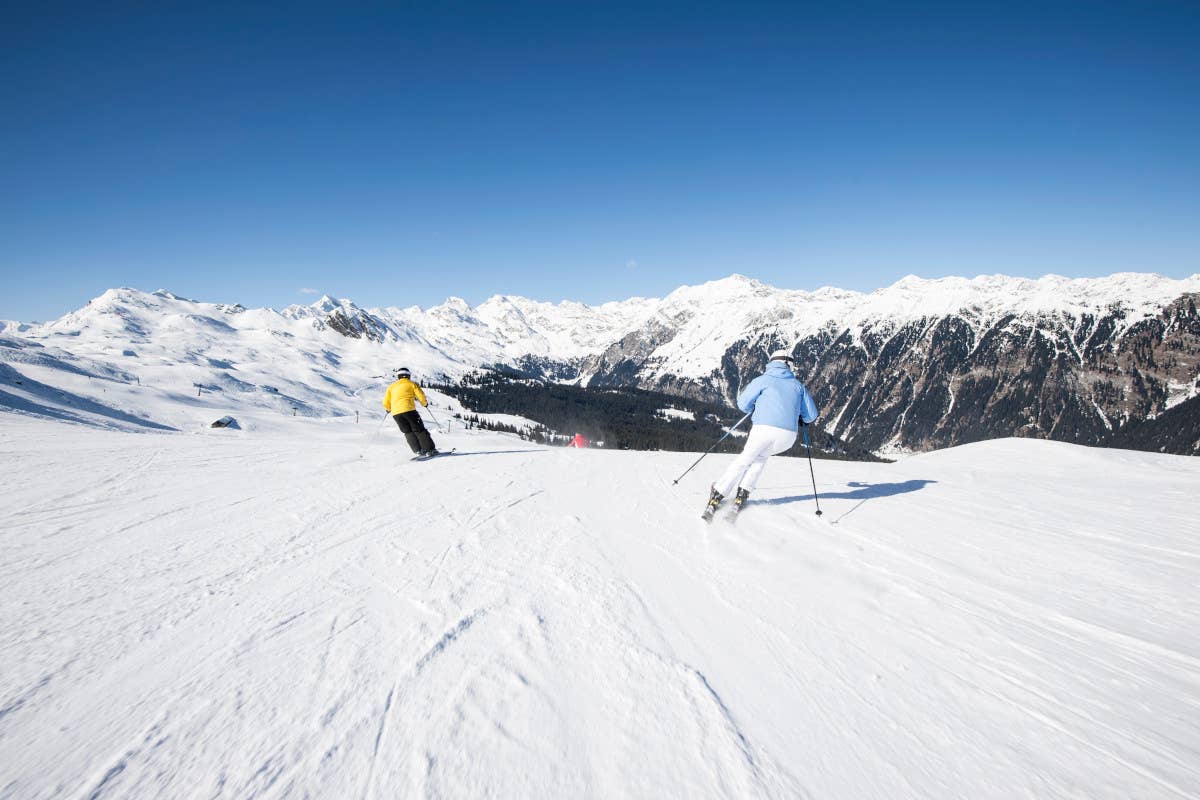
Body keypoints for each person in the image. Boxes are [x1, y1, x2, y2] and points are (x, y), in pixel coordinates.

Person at [704, 350, 819, 519]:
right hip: (788, 436)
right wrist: (800, 418)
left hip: (763, 430)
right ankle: (743, 494)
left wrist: (756, 406)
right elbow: (811, 415)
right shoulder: (798, 385)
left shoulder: (763, 380)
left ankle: (719, 492)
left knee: (744, 460)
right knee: (760, 458)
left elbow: (743, 404)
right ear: (788, 364)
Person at [383, 367, 439, 457]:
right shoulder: (411, 384)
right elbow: (420, 395)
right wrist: (424, 404)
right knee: (419, 430)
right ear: (408, 376)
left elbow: (386, 401)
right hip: (409, 410)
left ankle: (418, 451)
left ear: (398, 376)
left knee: (408, 432)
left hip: (396, 414)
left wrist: (388, 408)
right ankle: (430, 450)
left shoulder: (391, 387)